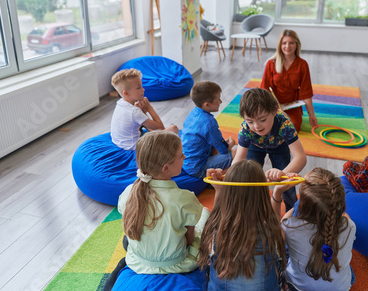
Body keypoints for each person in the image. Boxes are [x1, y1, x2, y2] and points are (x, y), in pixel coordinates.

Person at [110, 131, 210, 289]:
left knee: (127, 240)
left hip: (138, 261)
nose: (184, 157)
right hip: (178, 264)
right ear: (166, 168)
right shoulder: (185, 198)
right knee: (204, 213)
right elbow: (189, 240)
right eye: (180, 155)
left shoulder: (129, 192)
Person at [198, 160, 286, 291]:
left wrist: (218, 189)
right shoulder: (273, 231)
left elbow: (218, 216)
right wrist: (277, 192)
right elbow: (274, 221)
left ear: (227, 195)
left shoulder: (214, 230)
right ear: (262, 194)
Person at [271, 167, 357, 291]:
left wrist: (277, 192)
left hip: (297, 287)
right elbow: (344, 218)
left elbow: (274, 231)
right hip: (341, 287)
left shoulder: (289, 226)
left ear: (303, 207)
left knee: (283, 254)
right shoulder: (350, 226)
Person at [233, 87, 307, 210]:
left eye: (262, 120)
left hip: (279, 146)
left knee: (286, 183)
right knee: (251, 180)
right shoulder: (245, 129)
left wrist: (283, 173)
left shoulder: (284, 123)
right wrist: (233, 175)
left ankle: (292, 211)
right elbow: (238, 160)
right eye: (250, 121)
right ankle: (253, 210)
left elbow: (300, 157)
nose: (256, 126)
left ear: (274, 111)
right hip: (255, 147)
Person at [260, 29, 318, 132]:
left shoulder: (303, 64)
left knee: (294, 127)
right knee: (270, 126)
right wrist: (270, 108)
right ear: (280, 45)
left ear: (297, 44)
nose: (287, 46)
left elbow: (306, 92)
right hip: (273, 105)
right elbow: (264, 89)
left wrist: (311, 115)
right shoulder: (271, 63)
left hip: (292, 105)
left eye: (291, 43)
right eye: (284, 43)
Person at [110, 68, 178, 151]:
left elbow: (140, 120)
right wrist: (149, 108)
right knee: (173, 129)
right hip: (135, 147)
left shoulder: (120, 103)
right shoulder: (134, 112)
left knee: (148, 125)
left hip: (120, 142)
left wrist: (143, 112)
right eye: (138, 88)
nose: (143, 89)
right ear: (126, 93)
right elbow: (160, 128)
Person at [182, 81, 236, 179]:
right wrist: (232, 143)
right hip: (198, 168)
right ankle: (214, 180)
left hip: (188, 163)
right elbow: (223, 149)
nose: (221, 102)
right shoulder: (209, 122)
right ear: (207, 105)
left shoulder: (193, 113)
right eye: (218, 99)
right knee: (237, 152)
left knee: (220, 145)